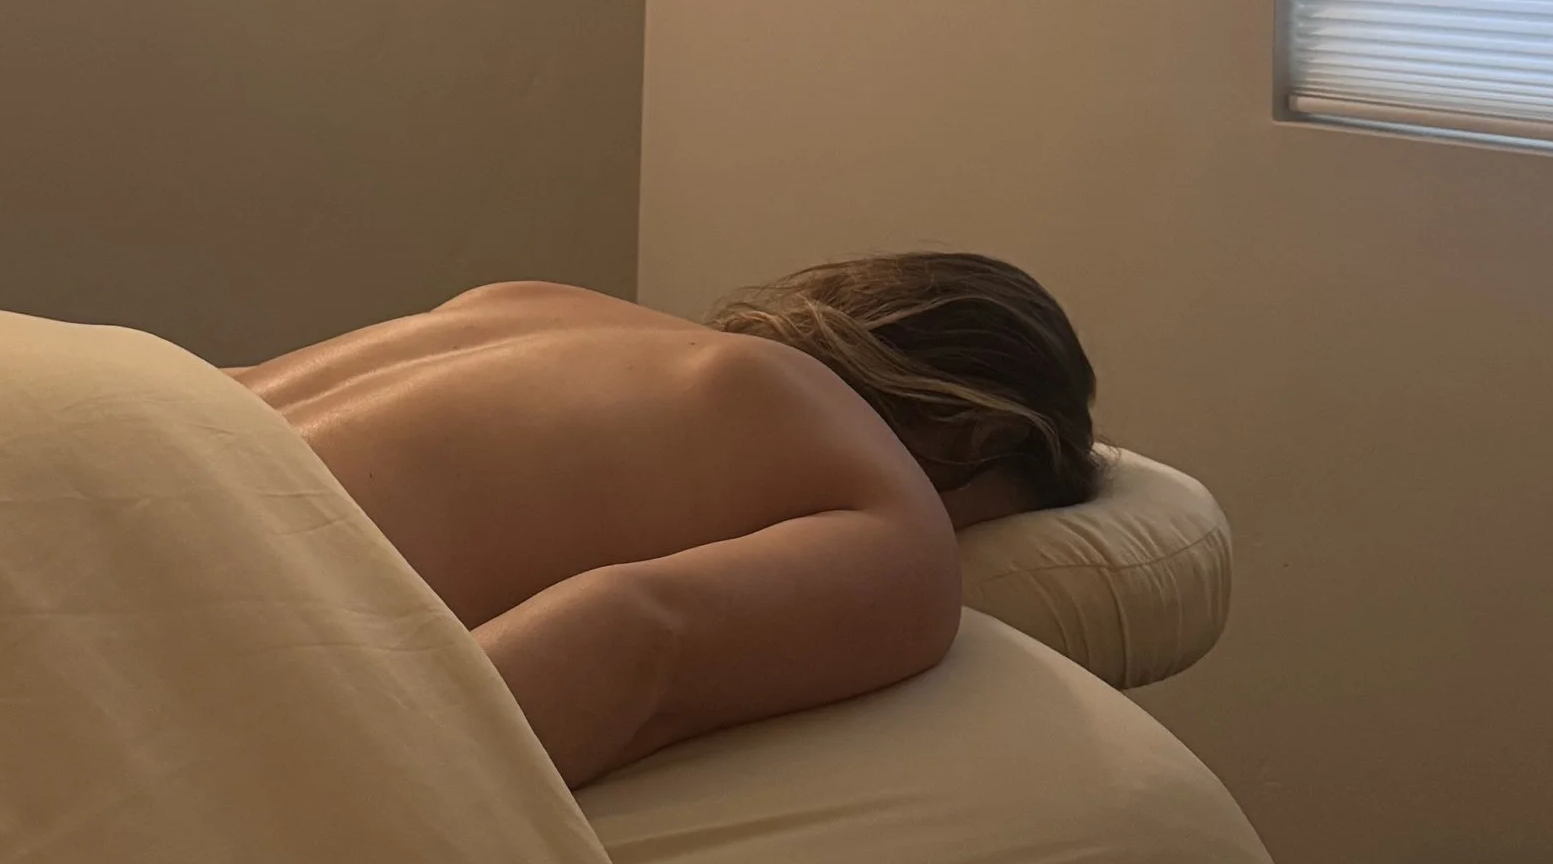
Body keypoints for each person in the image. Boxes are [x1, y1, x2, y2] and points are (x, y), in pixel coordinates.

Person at [226, 252, 1096, 790]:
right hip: (221, 586)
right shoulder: (892, 509)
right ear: (985, 438)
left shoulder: (544, 298)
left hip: (163, 420)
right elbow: (629, 634)